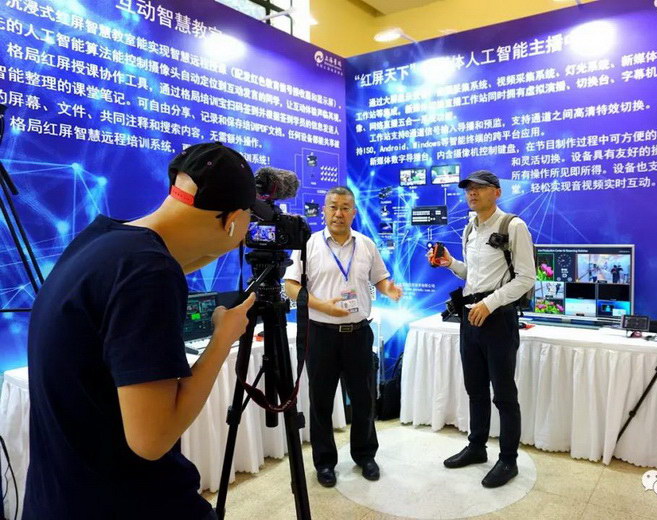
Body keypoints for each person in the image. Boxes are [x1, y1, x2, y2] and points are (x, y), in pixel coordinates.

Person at [24, 142, 258, 520]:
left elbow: (170, 259)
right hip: (126, 501)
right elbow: (152, 440)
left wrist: (221, 241)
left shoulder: (105, 240)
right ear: (231, 218)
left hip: (62, 496)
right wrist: (222, 339)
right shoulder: (149, 272)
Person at [284, 186, 403, 488]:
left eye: (345, 207)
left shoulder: (365, 244)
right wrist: (322, 306)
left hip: (358, 334)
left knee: (364, 399)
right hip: (320, 334)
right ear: (324, 210)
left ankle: (365, 455)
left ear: (354, 212)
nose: (339, 213)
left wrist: (389, 289)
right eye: (333, 207)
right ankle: (324, 462)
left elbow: (380, 277)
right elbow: (291, 286)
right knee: (321, 401)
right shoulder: (307, 245)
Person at [428, 170, 535, 488]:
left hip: (498, 318)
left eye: (480, 188)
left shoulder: (513, 226)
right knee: (475, 389)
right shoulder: (469, 228)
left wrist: (490, 303)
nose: (472, 193)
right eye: (468, 189)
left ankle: (508, 460)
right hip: (470, 317)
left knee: (504, 394)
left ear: (497, 192)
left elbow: (526, 278)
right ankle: (476, 447)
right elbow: (473, 277)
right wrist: (450, 263)